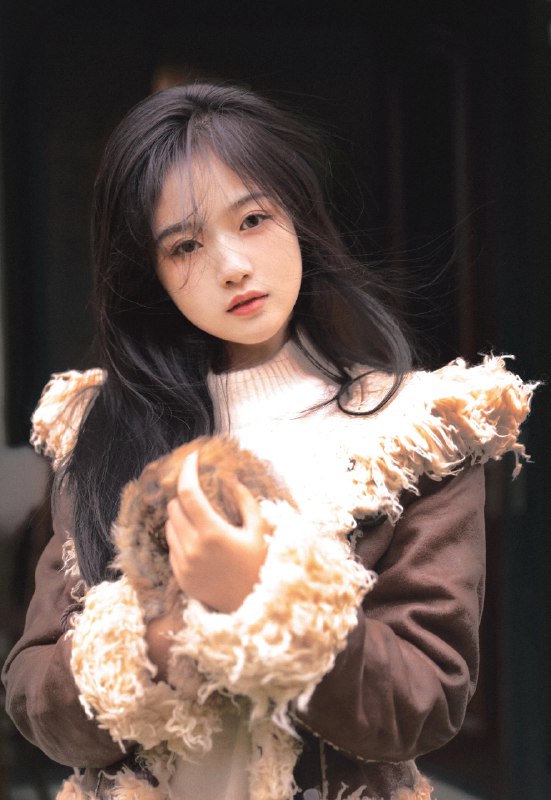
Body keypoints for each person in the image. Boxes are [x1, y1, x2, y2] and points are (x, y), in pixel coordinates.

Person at [2, 83, 536, 800]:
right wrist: (155, 642)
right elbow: (33, 694)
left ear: (299, 216)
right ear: (150, 273)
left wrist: (262, 596)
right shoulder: (100, 430)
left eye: (253, 218)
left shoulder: (413, 431)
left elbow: (424, 701)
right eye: (185, 245)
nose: (231, 265)